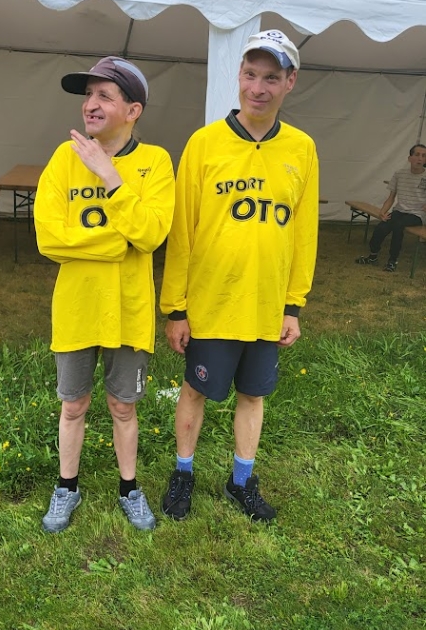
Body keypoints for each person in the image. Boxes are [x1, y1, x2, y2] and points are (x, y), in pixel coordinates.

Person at [159, 29, 319, 523]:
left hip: (266, 304)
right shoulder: (204, 144)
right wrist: (176, 308)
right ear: (239, 76)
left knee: (254, 394)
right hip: (211, 302)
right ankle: (183, 473)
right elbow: (182, 231)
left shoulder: (302, 149)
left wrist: (293, 305)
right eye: (250, 75)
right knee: (195, 390)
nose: (258, 88)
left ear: (290, 82)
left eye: (271, 78)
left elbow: (304, 232)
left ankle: (241, 480)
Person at [34, 56, 175, 533]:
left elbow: (152, 234)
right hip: (76, 308)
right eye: (88, 95)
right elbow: (49, 238)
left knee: (123, 407)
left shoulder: (155, 162)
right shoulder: (63, 157)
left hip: (129, 310)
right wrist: (117, 245)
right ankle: (66, 487)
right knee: (73, 405)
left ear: (133, 111)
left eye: (104, 96)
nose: (90, 104)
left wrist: (110, 175)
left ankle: (129, 489)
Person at [355, 144, 426, 272]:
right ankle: (373, 256)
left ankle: (392, 261)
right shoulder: (399, 174)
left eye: (423, 156)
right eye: (417, 155)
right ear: (410, 158)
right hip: (399, 211)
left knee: (398, 226)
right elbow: (391, 197)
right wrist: (382, 212)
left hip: (417, 214)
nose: (420, 158)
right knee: (382, 226)